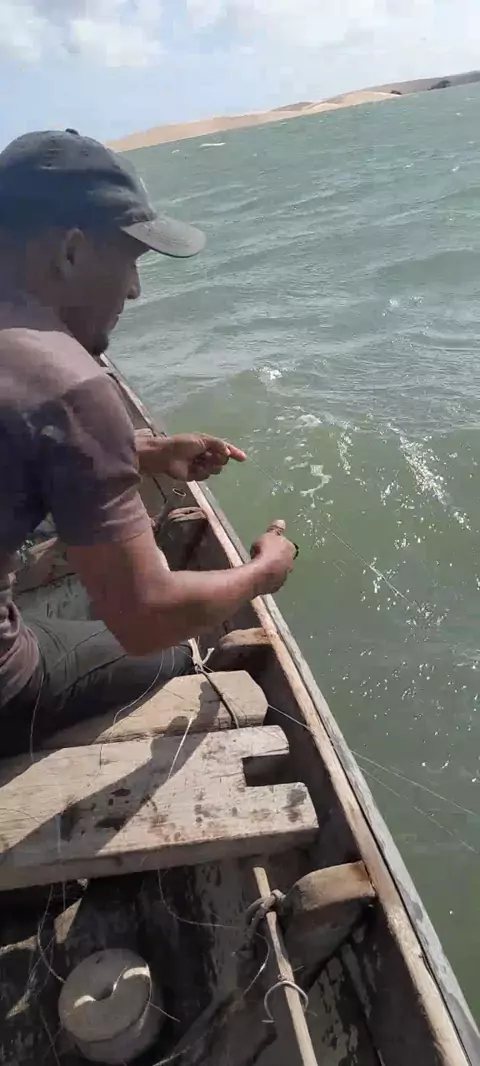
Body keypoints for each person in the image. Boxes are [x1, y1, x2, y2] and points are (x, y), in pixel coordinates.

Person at [0, 129, 296, 755]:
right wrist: (261, 573)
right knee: (165, 653)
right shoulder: (68, 384)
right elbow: (146, 616)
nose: (135, 288)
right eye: (130, 259)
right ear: (71, 252)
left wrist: (144, 452)